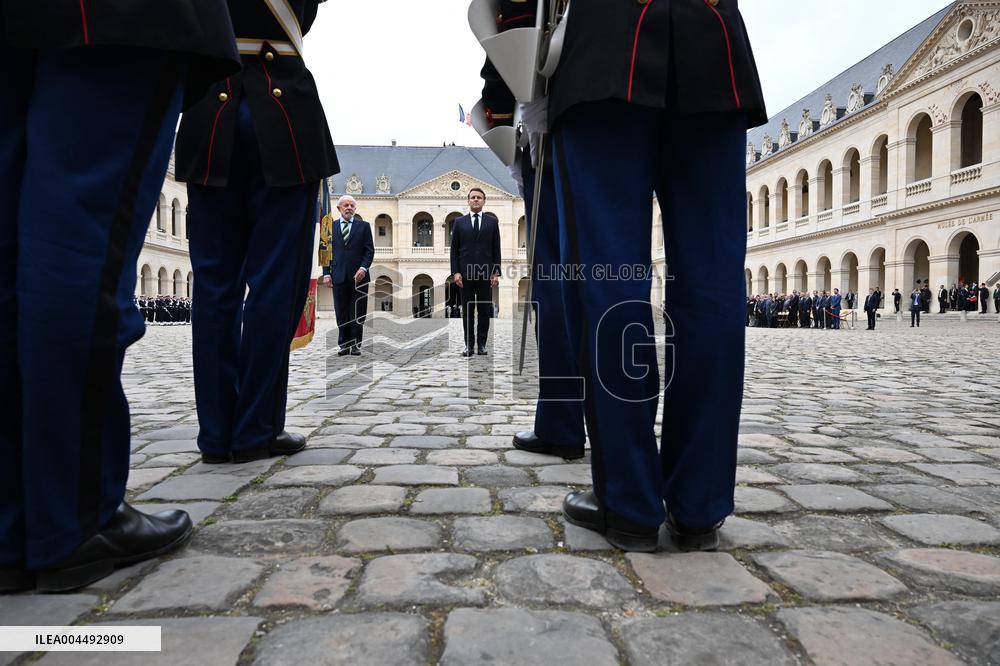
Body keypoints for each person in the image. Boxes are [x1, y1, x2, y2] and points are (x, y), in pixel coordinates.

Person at [481, 0, 766, 552]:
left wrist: (514, 85)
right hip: (713, 44)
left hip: (603, 52)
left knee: (609, 284)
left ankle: (629, 501)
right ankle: (699, 503)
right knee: (712, 286)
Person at [0, 1, 238, 593]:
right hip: (112, 15)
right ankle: (75, 516)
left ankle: (9, 526)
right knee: (81, 242)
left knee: (6, 251)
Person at [175, 0, 339, 465]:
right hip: (283, 118)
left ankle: (216, 433)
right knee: (274, 285)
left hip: (210, 112)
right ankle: (255, 430)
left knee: (214, 287)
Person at [450, 188, 501, 357]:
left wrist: (496, 273)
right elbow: (454, 250)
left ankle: (482, 345)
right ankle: (468, 346)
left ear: (484, 201)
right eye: (473, 197)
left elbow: (496, 249)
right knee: (468, 311)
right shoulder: (459, 222)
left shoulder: (492, 222)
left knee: (484, 310)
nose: (476, 200)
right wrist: (456, 272)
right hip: (465, 274)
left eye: (479, 197)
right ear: (468, 201)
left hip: (486, 274)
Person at [323, 195, 374, 355]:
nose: (349, 208)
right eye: (346, 205)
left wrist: (363, 268)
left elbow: (369, 250)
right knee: (342, 312)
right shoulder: (330, 227)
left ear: (355, 208)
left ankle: (355, 345)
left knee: (358, 312)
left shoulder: (364, 226)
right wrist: (326, 273)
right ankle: (344, 345)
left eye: (352, 205)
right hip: (338, 275)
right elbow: (326, 251)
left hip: (359, 278)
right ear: (339, 208)